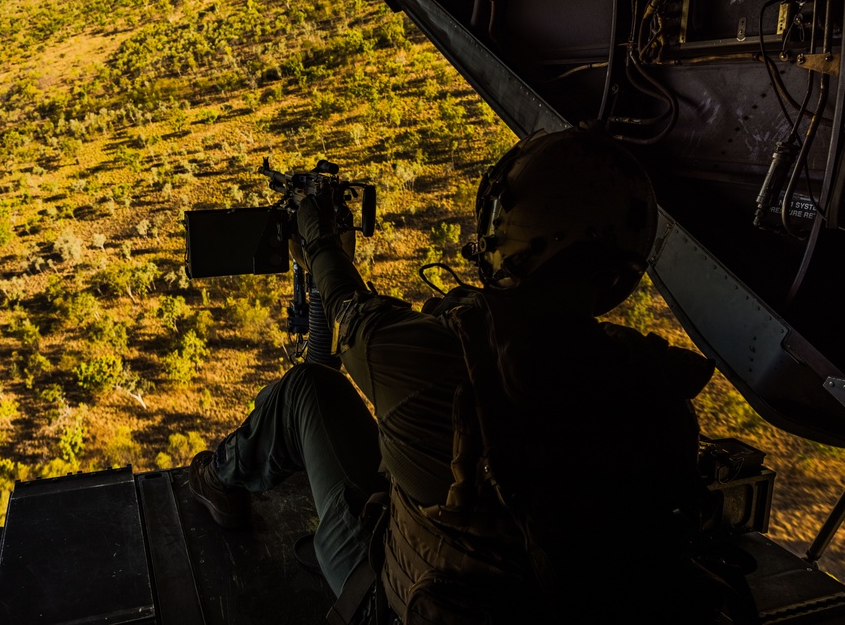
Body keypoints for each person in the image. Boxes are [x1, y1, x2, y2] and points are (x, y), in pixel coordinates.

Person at [187, 126, 727, 623]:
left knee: (307, 388)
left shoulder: (432, 358)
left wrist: (321, 245)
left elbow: (347, 310)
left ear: (501, 228)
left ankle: (219, 479)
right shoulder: (652, 387)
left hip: (412, 601)